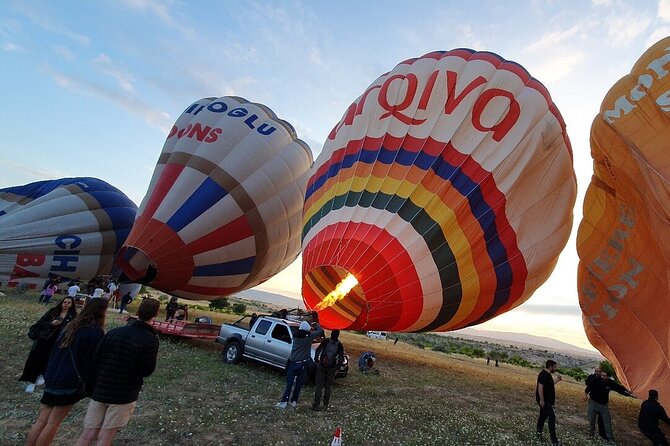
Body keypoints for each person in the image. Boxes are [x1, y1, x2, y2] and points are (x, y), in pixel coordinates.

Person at [75, 298, 160, 446]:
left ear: (138, 312)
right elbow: (146, 370)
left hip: (101, 388)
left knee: (87, 434)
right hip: (123, 393)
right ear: (155, 315)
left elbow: (96, 357)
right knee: (105, 438)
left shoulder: (115, 332)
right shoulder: (150, 340)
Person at [25, 299, 107, 446]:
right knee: (53, 423)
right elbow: (92, 361)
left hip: (52, 375)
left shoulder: (70, 326)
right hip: (69, 380)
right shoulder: (95, 332)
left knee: (42, 420)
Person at [20, 297, 78, 393]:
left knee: (50, 360)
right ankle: (32, 381)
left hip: (58, 342)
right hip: (44, 339)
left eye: (68, 302)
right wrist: (51, 323)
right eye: (64, 302)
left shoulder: (72, 316)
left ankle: (43, 376)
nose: (66, 304)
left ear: (72, 305)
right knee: (36, 360)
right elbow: (41, 323)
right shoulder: (53, 311)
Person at [276, 320, 324, 409]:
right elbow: (320, 331)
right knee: (299, 383)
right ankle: (294, 400)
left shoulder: (295, 335)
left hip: (293, 362)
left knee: (289, 383)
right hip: (303, 363)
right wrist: (316, 325)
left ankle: (284, 401)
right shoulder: (309, 337)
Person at [585, 369, 632, 442]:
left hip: (603, 405)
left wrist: (628, 392)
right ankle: (591, 434)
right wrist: (585, 394)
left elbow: (619, 389)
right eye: (602, 375)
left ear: (608, 377)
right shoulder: (596, 380)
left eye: (604, 376)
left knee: (607, 421)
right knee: (591, 419)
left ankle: (610, 438)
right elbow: (589, 387)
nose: (602, 377)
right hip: (593, 402)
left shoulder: (611, 383)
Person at [312, 329, 344, 411]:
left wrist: (317, 360)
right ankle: (325, 405)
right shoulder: (339, 345)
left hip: (322, 366)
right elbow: (341, 359)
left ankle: (316, 404)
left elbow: (318, 350)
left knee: (319, 386)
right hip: (331, 368)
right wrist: (337, 367)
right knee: (328, 387)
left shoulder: (326, 341)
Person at [535, 359, 562, 446]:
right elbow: (540, 387)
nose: (555, 368)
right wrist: (542, 400)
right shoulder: (544, 374)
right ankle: (554, 441)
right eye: (554, 367)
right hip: (545, 401)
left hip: (547, 401)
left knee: (542, 417)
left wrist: (557, 380)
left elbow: (549, 385)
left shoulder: (548, 374)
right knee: (552, 417)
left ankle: (538, 433)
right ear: (550, 366)